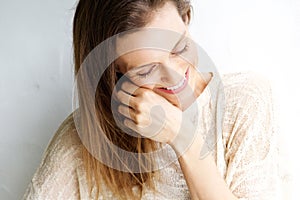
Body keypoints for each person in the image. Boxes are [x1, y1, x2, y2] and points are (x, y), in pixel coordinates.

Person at [23, 0, 289, 199]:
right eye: (147, 70)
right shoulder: (82, 137)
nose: (174, 78)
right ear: (114, 70)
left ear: (186, 19)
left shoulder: (245, 101)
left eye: (179, 48)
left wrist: (182, 136)